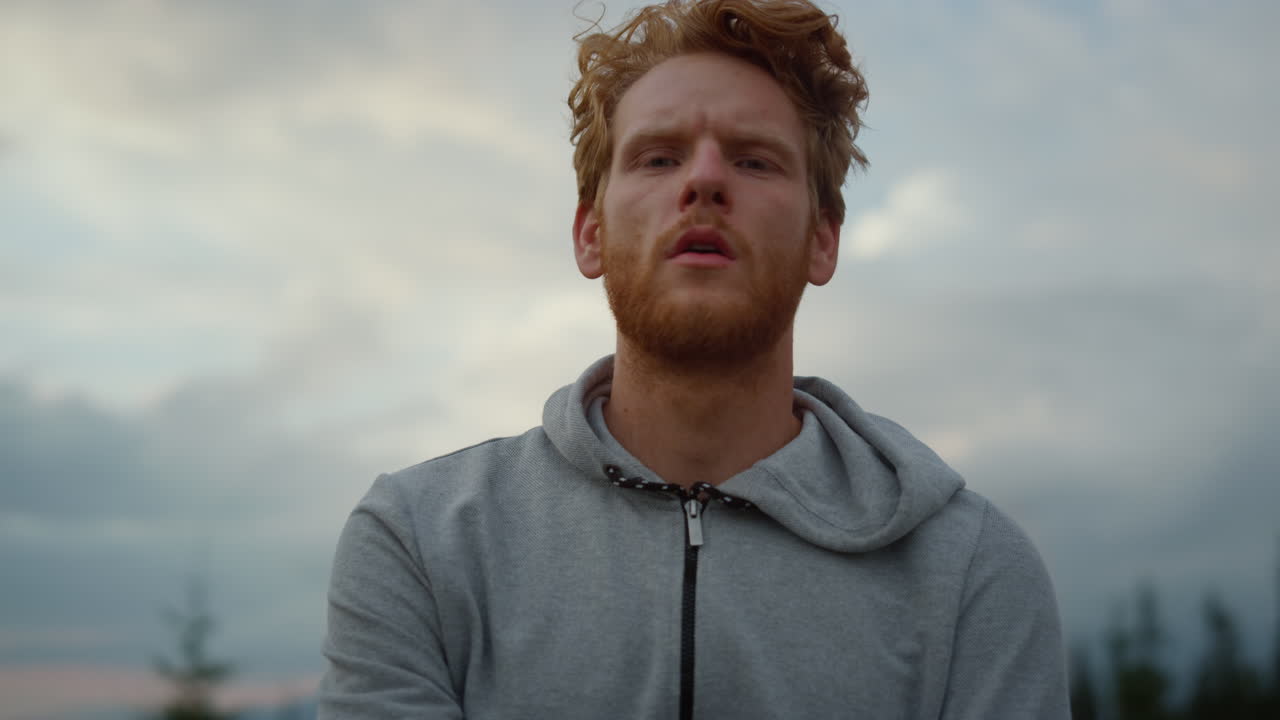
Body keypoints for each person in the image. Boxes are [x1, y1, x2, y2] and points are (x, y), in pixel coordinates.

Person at [318, 0, 1070, 718]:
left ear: (822, 240)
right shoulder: (420, 541)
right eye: (658, 157)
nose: (703, 181)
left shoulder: (974, 573)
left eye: (754, 161)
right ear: (590, 235)